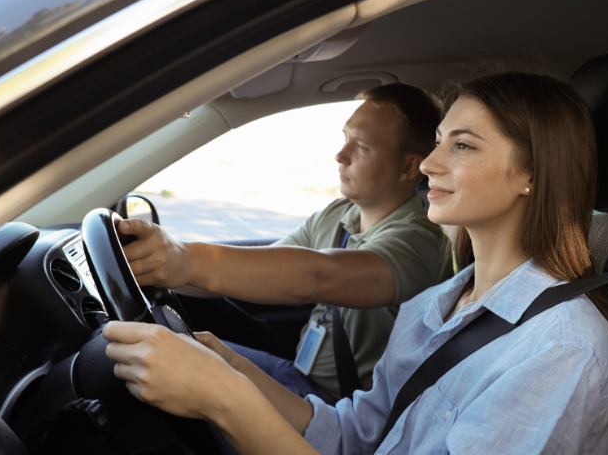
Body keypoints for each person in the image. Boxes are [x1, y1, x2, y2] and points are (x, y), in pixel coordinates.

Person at [106, 72, 608, 455]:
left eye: (462, 145)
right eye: (439, 140)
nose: (428, 164)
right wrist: (231, 369)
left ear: (532, 175)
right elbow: (359, 437)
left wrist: (225, 400)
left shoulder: (561, 350)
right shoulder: (438, 303)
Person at [138, 83, 452, 402]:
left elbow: (317, 276)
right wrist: (156, 268)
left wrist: (182, 258)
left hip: (342, 407)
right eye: (345, 139)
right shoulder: (338, 215)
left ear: (409, 166)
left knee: (164, 371)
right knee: (166, 347)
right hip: (297, 373)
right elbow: (255, 272)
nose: (340, 155)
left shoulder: (420, 240)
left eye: (361, 146)